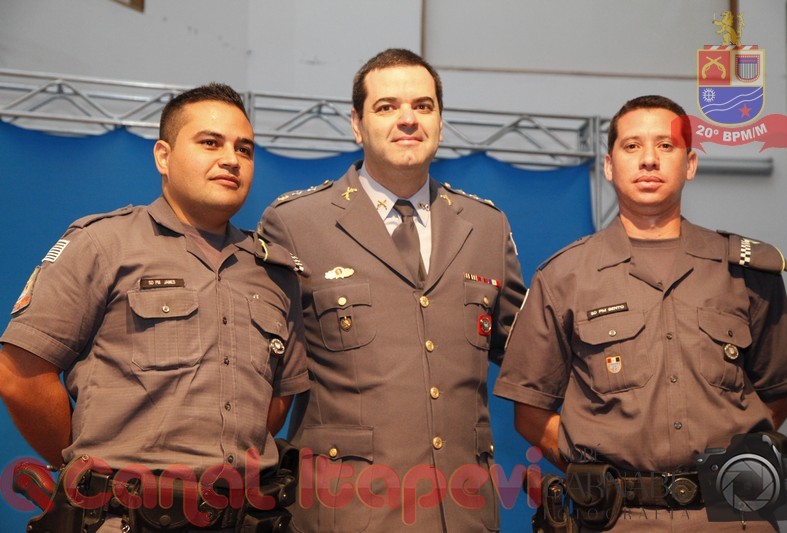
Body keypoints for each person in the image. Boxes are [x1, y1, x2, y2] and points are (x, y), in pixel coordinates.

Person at [0, 83, 309, 531]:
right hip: (122, 516)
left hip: (244, 518)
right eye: (210, 142)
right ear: (163, 156)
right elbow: (20, 376)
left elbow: (277, 398)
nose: (231, 159)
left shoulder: (274, 271)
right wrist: (89, 468)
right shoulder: (103, 244)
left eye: (244, 148)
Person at [494, 95, 787, 531]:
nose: (650, 160)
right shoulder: (563, 276)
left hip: (733, 518)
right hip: (617, 520)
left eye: (666, 146)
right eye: (633, 146)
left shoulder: (747, 271)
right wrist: (600, 474)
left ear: (690, 164)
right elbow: (531, 413)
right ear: (608, 164)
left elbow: (777, 393)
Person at [259, 48, 526, 532]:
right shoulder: (296, 224)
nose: (407, 119)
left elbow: (531, 359)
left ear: (441, 123)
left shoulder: (486, 226)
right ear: (357, 124)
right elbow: (258, 369)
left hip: (462, 514)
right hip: (348, 513)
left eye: (423, 106)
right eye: (387, 107)